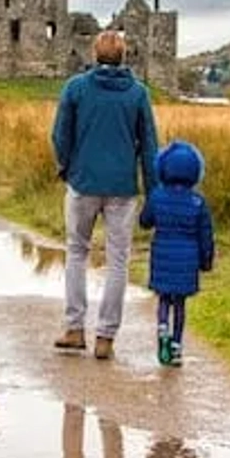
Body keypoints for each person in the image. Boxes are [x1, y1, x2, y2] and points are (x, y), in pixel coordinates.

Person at [51, 29, 159, 360]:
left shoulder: (76, 88)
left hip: (83, 182)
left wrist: (66, 167)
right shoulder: (138, 94)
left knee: (76, 252)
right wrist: (152, 193)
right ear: (124, 56)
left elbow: (59, 135)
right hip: (122, 187)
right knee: (118, 259)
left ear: (95, 55)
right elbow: (150, 146)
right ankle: (106, 337)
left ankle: (74, 328)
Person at [138, 139, 215, 366]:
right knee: (180, 304)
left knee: (163, 299)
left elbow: (145, 221)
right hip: (187, 259)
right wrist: (206, 261)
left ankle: (162, 329)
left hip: (162, 253)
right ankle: (176, 346)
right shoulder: (198, 202)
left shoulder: (157, 195)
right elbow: (205, 236)